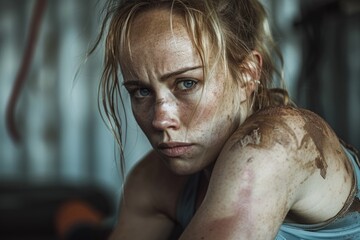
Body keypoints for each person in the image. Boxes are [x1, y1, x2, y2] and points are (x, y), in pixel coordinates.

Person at [92, 0, 360, 239]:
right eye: (141, 91)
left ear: (247, 74)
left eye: (186, 83)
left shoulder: (278, 143)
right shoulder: (155, 180)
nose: (161, 120)